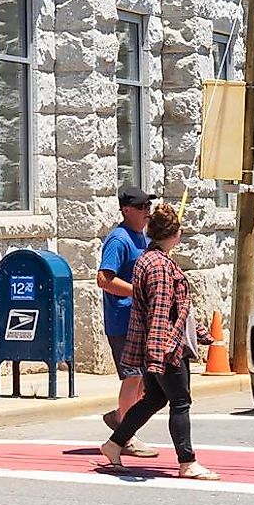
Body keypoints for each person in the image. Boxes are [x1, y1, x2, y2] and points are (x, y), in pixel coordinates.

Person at [99, 203, 221, 481]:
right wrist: (161, 352)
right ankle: (187, 462)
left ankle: (114, 443)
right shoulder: (160, 266)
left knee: (154, 398)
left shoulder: (148, 258)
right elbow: (160, 312)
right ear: (175, 234)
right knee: (180, 401)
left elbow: (178, 309)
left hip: (154, 344)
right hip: (165, 346)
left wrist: (202, 334)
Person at [97, 187, 158, 457]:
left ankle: (120, 416)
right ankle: (126, 435)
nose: (148, 211)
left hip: (141, 321)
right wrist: (138, 290)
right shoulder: (119, 240)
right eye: (143, 207)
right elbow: (104, 279)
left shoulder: (142, 238)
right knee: (133, 378)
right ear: (126, 210)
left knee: (146, 378)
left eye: (149, 206)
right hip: (123, 320)